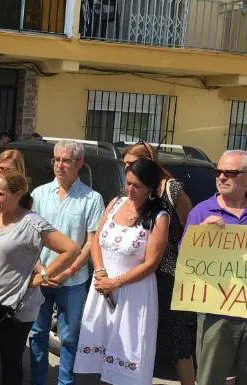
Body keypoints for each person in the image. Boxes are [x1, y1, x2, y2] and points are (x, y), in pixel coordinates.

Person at [73, 158, 169, 385]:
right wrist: (100, 272)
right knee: (98, 354)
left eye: (137, 186)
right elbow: (96, 237)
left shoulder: (159, 217)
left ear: (151, 188)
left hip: (133, 295)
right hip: (103, 285)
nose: (130, 190)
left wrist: (115, 283)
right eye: (128, 183)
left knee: (126, 356)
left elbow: (151, 264)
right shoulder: (116, 203)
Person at [0, 169, 80, 385]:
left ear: (18, 193)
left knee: (10, 365)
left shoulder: (32, 223)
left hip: (16, 309)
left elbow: (71, 249)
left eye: (0, 194)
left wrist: (42, 276)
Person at [28, 140, 104, 385]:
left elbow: (91, 242)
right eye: (56, 160)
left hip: (73, 280)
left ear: (79, 163)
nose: (59, 165)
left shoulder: (92, 199)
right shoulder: (39, 194)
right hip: (42, 277)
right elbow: (30, 236)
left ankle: (65, 382)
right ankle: (38, 380)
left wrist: (69, 270)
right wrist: (42, 270)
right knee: (38, 333)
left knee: (70, 337)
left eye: (66, 160)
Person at [123, 141, 195, 385]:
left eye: (131, 164)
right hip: (142, 274)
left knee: (178, 342)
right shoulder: (137, 191)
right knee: (143, 336)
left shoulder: (170, 188)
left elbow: (191, 224)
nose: (127, 171)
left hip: (170, 275)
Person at [182, 150, 247, 385]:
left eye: (229, 173)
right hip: (215, 314)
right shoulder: (201, 211)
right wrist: (200, 236)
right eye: (218, 172)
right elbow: (184, 262)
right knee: (210, 379)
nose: (221, 177)